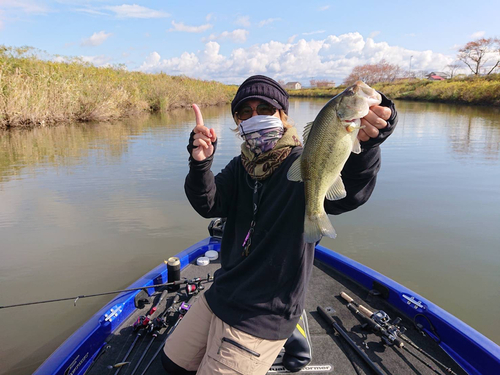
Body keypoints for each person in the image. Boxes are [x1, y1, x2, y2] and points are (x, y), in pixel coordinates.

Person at [161, 75, 398, 374]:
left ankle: (283, 337)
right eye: (244, 112)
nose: (254, 116)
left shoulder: (304, 159)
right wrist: (200, 164)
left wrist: (370, 142)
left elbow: (350, 194)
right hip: (225, 291)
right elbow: (210, 204)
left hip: (267, 309)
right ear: (237, 122)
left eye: (265, 108)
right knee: (171, 364)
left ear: (283, 116)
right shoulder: (241, 166)